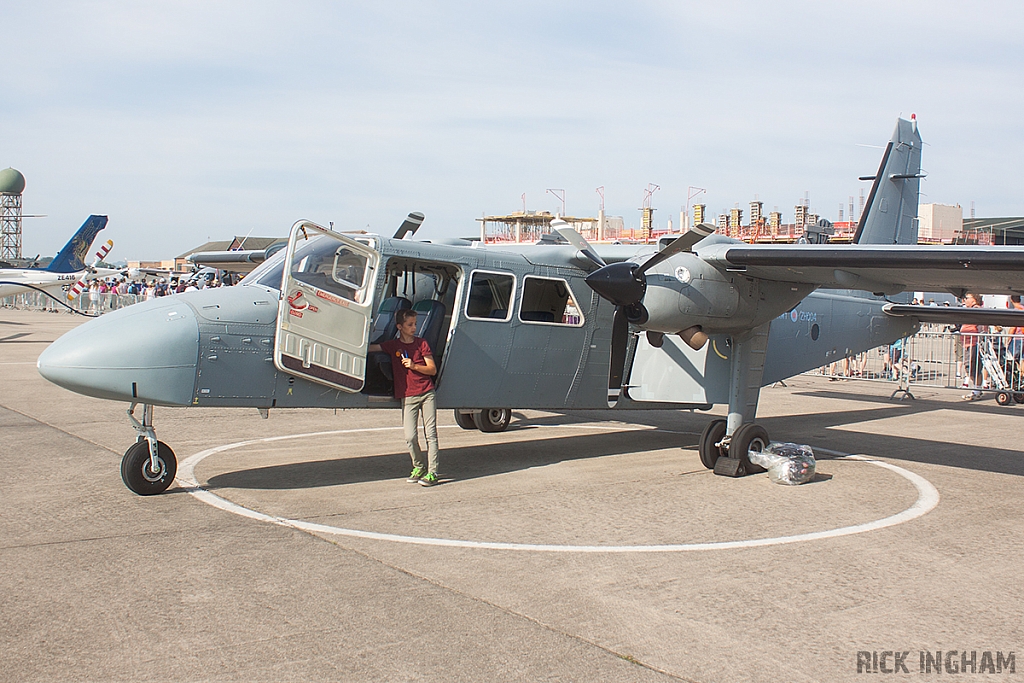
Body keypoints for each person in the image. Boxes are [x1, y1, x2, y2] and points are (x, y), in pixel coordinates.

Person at [368, 309, 441, 486]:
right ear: (399, 326)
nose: (414, 327)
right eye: (410, 325)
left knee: (430, 434)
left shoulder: (421, 344)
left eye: (415, 324)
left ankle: (433, 472)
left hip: (426, 393)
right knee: (410, 437)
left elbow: (432, 370)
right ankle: (419, 466)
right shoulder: (393, 346)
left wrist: (414, 366)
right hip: (408, 396)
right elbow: (372, 348)